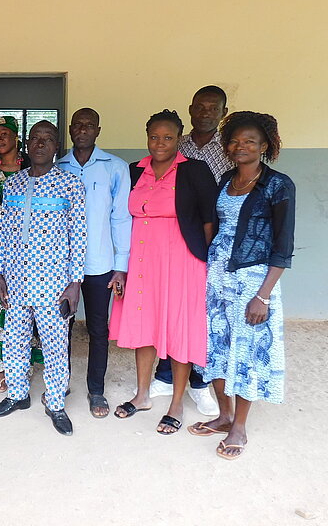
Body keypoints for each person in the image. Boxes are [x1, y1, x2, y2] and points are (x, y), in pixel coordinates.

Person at [190, 112, 295, 460]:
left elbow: (283, 246)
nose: (240, 146)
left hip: (254, 281)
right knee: (216, 345)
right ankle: (224, 415)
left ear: (264, 146)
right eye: (234, 141)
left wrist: (263, 296)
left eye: (250, 141)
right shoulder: (225, 179)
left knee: (247, 351)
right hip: (218, 278)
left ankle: (239, 426)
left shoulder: (278, 185)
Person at [110, 110, 217, 435]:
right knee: (144, 324)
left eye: (168, 137)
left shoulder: (194, 170)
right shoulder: (134, 170)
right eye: (154, 136)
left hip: (182, 262)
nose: (160, 143)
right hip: (142, 261)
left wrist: (200, 259)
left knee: (180, 328)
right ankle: (142, 395)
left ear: (178, 139)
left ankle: (176, 404)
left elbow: (209, 220)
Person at [0, 121, 86, 436]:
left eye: (48, 139)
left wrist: (75, 283)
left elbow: (78, 235)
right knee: (15, 341)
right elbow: (4, 233)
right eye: (35, 138)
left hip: (53, 282)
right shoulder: (14, 183)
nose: (41, 144)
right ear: (27, 144)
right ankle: (17, 395)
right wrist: (0, 271)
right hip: (16, 279)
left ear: (57, 146)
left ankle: (55, 404)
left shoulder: (70, 184)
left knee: (55, 346)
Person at [152, 86, 231, 414]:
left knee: (202, 314)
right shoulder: (175, 142)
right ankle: (165, 374)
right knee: (173, 308)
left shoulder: (230, 148)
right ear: (190, 109)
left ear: (223, 113)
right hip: (178, 238)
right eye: (200, 106)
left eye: (213, 108)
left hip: (216, 236)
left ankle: (199, 382)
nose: (205, 112)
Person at [57, 108, 131, 418]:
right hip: (61, 266)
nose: (83, 130)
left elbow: (121, 218)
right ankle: (59, 384)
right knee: (61, 326)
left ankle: (96, 389)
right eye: (78, 125)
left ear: (98, 130)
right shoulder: (57, 167)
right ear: (70, 129)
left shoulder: (115, 167)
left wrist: (121, 265)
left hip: (99, 264)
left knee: (98, 328)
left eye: (89, 125)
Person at [0, 116, 41, 393]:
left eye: (4, 134)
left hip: (30, 250)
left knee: (26, 309)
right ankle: (1, 366)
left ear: (16, 137)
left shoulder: (32, 166)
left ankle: (22, 364)